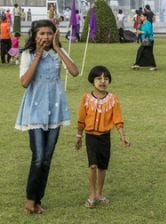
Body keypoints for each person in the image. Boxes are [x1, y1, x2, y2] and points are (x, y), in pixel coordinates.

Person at [15, 19, 79, 214]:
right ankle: (30, 199)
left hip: (55, 109)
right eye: (41, 34)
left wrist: (57, 48)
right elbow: (25, 82)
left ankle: (38, 200)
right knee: (38, 156)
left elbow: (75, 72)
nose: (45, 37)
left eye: (49, 33)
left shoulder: (58, 53)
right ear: (34, 36)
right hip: (34, 110)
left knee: (47, 158)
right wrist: (39, 54)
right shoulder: (28, 54)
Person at [75, 65, 129, 209]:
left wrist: (122, 136)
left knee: (102, 167)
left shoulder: (113, 99)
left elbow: (118, 119)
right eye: (99, 78)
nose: (102, 81)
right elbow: (81, 119)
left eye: (106, 78)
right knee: (92, 165)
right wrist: (79, 136)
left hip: (105, 137)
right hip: (91, 136)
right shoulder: (86, 98)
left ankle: (99, 193)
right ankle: (92, 194)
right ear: (92, 81)